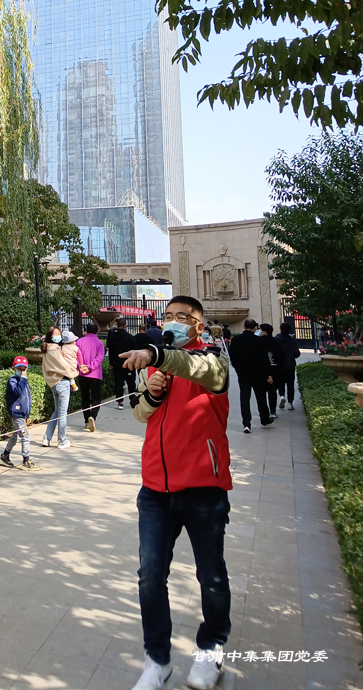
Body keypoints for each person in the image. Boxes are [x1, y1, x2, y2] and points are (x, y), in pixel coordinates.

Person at [121, 295, 231, 690]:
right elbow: (139, 413)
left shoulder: (213, 360)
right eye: (168, 316)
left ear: (199, 326)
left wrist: (157, 355)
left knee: (211, 576)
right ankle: (157, 660)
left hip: (204, 488)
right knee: (150, 576)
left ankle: (211, 650)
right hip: (155, 489)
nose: (173, 322)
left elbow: (193, 366)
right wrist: (152, 393)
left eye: (182, 317)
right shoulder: (159, 366)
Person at [228, 319, 273, 433]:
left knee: (245, 398)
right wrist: (268, 373)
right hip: (258, 373)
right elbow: (264, 358)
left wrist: (237, 368)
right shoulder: (259, 340)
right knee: (261, 397)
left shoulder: (236, 340)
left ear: (244, 326)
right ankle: (264, 420)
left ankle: (246, 424)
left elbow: (232, 356)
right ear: (255, 328)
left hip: (243, 373)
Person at [40, 325, 77, 449]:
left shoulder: (46, 348)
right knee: (62, 413)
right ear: (50, 336)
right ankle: (62, 440)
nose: (58, 336)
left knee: (57, 412)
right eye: (55, 334)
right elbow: (63, 365)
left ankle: (47, 438)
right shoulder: (54, 349)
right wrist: (74, 371)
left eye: (59, 333)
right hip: (62, 382)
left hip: (53, 384)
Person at [0, 355, 37, 470]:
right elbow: (18, 392)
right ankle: (26, 459)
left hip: (22, 414)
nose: (22, 372)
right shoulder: (13, 380)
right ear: (13, 369)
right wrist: (23, 379)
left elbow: (27, 399)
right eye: (19, 369)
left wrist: (27, 414)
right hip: (16, 413)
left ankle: (5, 454)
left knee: (15, 436)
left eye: (24, 369)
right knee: (25, 436)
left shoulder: (24, 382)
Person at [77, 322, 105, 431]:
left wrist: (81, 367)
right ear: (96, 331)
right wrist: (90, 367)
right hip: (95, 374)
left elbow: (75, 356)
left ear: (86, 330)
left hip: (82, 374)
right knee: (96, 397)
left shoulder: (79, 342)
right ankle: (92, 416)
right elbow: (100, 358)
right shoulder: (100, 343)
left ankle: (86, 421)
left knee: (85, 397)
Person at [107, 318, 139, 410]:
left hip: (117, 363)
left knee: (119, 382)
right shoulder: (130, 337)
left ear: (117, 325)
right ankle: (132, 400)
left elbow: (110, 351)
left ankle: (120, 402)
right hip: (129, 363)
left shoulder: (113, 337)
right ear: (125, 326)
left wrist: (111, 362)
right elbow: (135, 351)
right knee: (131, 382)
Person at [259, 324, 285, 420]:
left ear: (265, 332)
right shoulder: (276, 342)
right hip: (275, 370)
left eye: (261, 330)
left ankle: (263, 412)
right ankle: (273, 411)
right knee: (272, 391)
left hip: (262, 371)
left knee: (261, 393)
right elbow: (282, 357)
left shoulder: (259, 342)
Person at [275, 323, 301, 410]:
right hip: (290, 365)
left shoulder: (276, 339)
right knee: (290, 385)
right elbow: (297, 353)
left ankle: (282, 396)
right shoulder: (291, 340)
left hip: (279, 365)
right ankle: (290, 403)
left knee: (280, 383)